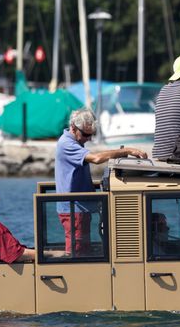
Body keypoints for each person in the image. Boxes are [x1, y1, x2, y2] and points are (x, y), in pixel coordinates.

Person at [55, 108, 148, 254]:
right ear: (73, 127)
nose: (89, 139)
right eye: (86, 134)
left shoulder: (76, 141)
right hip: (73, 208)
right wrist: (126, 151)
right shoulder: (67, 144)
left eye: (92, 134)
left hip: (80, 207)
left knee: (84, 249)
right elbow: (97, 158)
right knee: (76, 252)